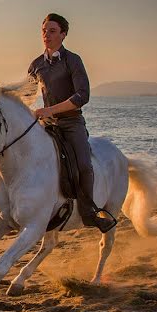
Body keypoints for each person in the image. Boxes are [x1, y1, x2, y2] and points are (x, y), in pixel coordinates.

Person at [28, 13, 116, 233]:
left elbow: (82, 96)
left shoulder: (73, 60)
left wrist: (49, 109)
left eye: (52, 31)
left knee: (84, 166)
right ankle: (10, 205)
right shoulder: (36, 64)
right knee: (17, 152)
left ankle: (89, 212)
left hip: (71, 123)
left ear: (63, 34)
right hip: (47, 125)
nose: (46, 35)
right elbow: (27, 95)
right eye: (44, 31)